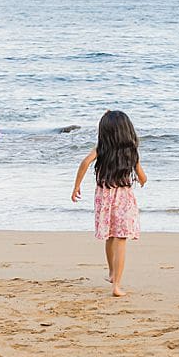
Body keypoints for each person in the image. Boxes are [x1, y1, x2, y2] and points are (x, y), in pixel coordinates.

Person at [71, 110, 147, 297]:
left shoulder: (101, 149)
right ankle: (117, 285)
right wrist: (142, 181)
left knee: (110, 235)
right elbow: (142, 177)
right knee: (121, 239)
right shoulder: (131, 153)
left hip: (104, 197)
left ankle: (112, 273)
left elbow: (85, 162)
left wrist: (76, 186)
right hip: (123, 199)